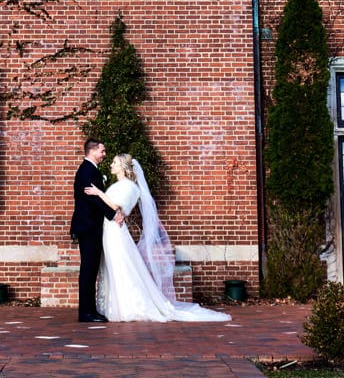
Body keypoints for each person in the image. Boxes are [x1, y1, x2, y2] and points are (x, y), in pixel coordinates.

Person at [85, 153, 231, 324]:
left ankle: (129, 307)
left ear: (123, 167)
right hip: (109, 230)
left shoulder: (130, 187)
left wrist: (98, 193)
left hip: (116, 233)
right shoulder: (119, 184)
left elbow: (115, 207)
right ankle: (112, 307)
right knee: (112, 267)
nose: (111, 164)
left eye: (115, 162)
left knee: (121, 267)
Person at [70, 138, 115, 323]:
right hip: (88, 228)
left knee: (91, 269)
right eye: (102, 151)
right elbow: (93, 200)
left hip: (91, 227)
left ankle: (90, 310)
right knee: (88, 270)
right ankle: (86, 313)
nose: (104, 155)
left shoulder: (91, 169)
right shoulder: (87, 170)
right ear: (92, 151)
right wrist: (113, 215)